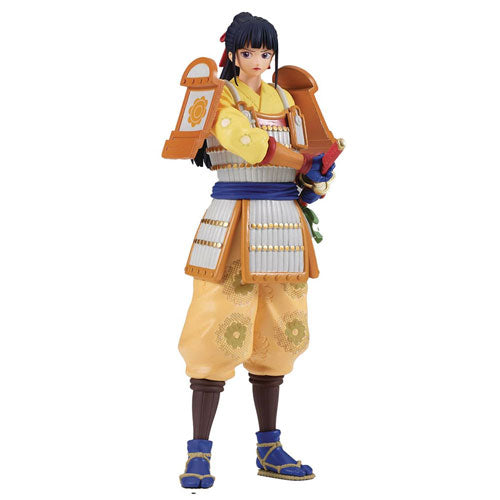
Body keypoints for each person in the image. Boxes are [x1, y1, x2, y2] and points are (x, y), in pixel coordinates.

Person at [172, 12, 339, 489]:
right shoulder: (219, 94)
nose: (259, 61)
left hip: (284, 223)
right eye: (249, 52)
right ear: (233, 53)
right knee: (217, 327)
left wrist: (318, 175)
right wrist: (300, 160)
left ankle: (269, 446)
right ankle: (199, 451)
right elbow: (243, 140)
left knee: (279, 330)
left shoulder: (287, 99)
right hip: (232, 222)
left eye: (266, 53)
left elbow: (313, 148)